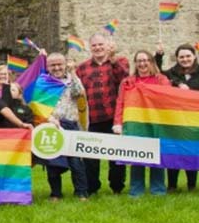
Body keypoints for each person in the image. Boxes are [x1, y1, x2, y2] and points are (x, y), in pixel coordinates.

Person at [75, 33, 130, 195]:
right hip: (92, 118)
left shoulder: (120, 62)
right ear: (89, 48)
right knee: (90, 157)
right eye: (94, 46)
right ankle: (92, 187)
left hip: (114, 118)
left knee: (116, 156)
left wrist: (113, 60)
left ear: (107, 46)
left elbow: (125, 78)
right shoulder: (82, 68)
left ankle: (117, 187)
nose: (98, 48)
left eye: (101, 45)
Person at [113, 51, 171, 198]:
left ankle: (158, 190)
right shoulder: (128, 82)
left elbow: (168, 100)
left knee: (157, 157)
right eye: (139, 61)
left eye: (145, 60)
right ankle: (136, 191)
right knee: (136, 157)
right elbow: (121, 103)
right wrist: (118, 123)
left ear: (151, 62)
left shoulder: (161, 80)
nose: (142, 64)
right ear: (135, 63)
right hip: (135, 124)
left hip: (156, 123)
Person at [43, 53, 89, 202]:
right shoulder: (43, 83)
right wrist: (49, 119)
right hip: (52, 126)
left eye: (59, 64)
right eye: (52, 65)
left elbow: (79, 93)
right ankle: (55, 193)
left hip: (71, 125)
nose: (56, 68)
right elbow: (37, 105)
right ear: (47, 67)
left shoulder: (72, 81)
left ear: (65, 65)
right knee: (52, 163)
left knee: (76, 162)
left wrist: (73, 72)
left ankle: (81, 193)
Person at [154, 43, 199, 192]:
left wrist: (188, 88)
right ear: (177, 58)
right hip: (174, 120)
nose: (185, 59)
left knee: (191, 150)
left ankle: (191, 185)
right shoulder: (172, 73)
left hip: (194, 120)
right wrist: (159, 56)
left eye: (188, 56)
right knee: (173, 150)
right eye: (182, 57)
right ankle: (172, 185)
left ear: (194, 56)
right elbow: (157, 73)